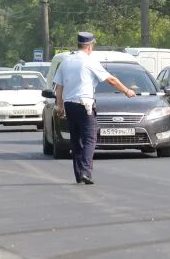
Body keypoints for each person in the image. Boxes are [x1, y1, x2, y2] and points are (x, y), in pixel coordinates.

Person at [53, 31, 135, 185]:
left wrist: (59, 106)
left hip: (70, 104)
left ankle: (79, 174)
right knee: (90, 138)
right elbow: (110, 79)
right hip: (85, 105)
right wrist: (127, 91)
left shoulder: (66, 61)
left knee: (76, 140)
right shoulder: (89, 61)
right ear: (90, 46)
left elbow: (59, 86)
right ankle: (85, 171)